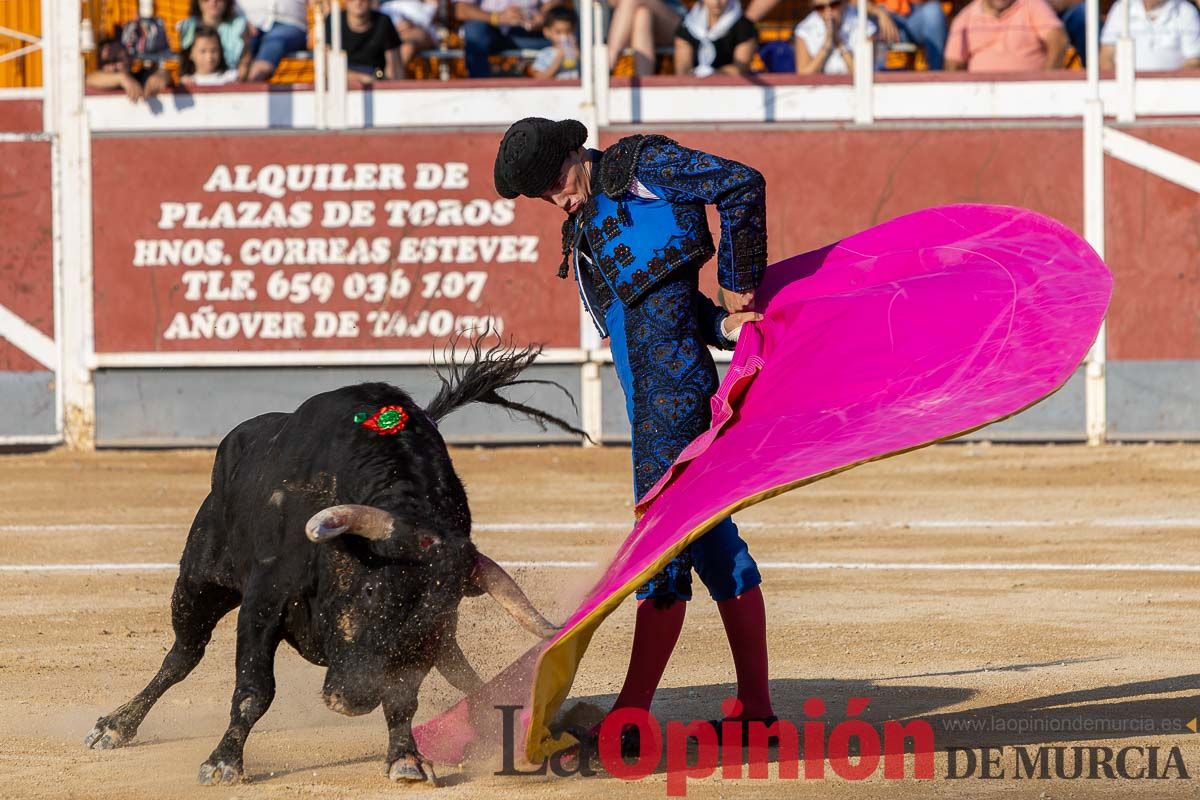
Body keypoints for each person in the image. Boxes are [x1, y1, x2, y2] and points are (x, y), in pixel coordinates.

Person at [492, 118, 774, 753]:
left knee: (664, 552)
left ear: (576, 153)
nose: (558, 199)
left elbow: (741, 185)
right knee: (710, 543)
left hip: (671, 403)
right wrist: (719, 325)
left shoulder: (643, 167)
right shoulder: (588, 221)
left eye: (558, 181)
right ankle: (755, 712)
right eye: (544, 196)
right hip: (651, 401)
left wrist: (737, 282)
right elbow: (661, 303)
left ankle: (631, 719)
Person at [945, 0, 1069, 71]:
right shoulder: (965, 17)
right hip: (981, 99)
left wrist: (1046, 83)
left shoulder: (1032, 5)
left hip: (1029, 96)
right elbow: (953, 65)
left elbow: (1059, 41)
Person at [455, 0, 563, 77]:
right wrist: (497, 17)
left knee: (563, 34)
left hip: (529, 31)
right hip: (490, 30)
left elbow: (555, 4)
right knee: (474, 29)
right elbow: (460, 9)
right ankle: (479, 85)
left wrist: (542, 16)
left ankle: (566, 78)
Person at [1100, 0, 1200, 70]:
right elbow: (1106, 57)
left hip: (1172, 93)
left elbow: (1194, 61)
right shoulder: (1121, 8)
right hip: (1124, 92)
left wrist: (1167, 86)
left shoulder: (1186, 11)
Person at [325, 0, 403, 82]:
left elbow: (395, 69)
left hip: (377, 83)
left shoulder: (384, 22)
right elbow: (327, 68)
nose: (358, 2)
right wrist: (361, 78)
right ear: (345, 1)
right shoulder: (333, 21)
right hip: (341, 85)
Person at [674, 0, 759, 76]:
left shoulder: (744, 26)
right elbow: (683, 71)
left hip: (731, 89)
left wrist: (711, 75)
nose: (716, 2)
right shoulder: (688, 25)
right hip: (693, 89)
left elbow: (741, 68)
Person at [606, 0, 687, 76]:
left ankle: (607, 65)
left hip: (677, 20)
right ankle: (642, 84)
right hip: (634, 19)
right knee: (642, 15)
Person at [794, 0, 877, 74]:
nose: (828, 11)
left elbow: (862, 74)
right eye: (820, 8)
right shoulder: (805, 29)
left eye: (834, 5)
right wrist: (826, 46)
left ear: (844, 3)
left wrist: (839, 43)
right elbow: (803, 75)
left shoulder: (864, 28)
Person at [177, 0, 251, 81]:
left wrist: (236, 84)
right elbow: (183, 61)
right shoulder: (187, 26)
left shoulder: (240, 26)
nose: (213, 2)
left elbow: (245, 61)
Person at [239, 0, 310, 81]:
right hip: (245, 25)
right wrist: (240, 21)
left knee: (274, 42)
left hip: (291, 23)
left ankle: (253, 82)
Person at [86, 38, 171, 103]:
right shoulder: (97, 80)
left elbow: (163, 74)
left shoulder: (141, 76)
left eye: (117, 60)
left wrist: (162, 75)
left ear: (129, 59)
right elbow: (89, 79)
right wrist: (121, 78)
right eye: (106, 63)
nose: (112, 67)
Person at [379, 0, 439, 74]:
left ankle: (388, 80)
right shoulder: (384, 9)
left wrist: (412, 24)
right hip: (387, 29)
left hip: (418, 29)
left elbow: (433, 7)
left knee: (406, 47)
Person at [531, 6, 582, 78]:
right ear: (547, 32)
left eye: (568, 31)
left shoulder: (580, 52)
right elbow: (539, 77)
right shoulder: (545, 54)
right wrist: (559, 58)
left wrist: (580, 56)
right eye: (558, 32)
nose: (564, 36)